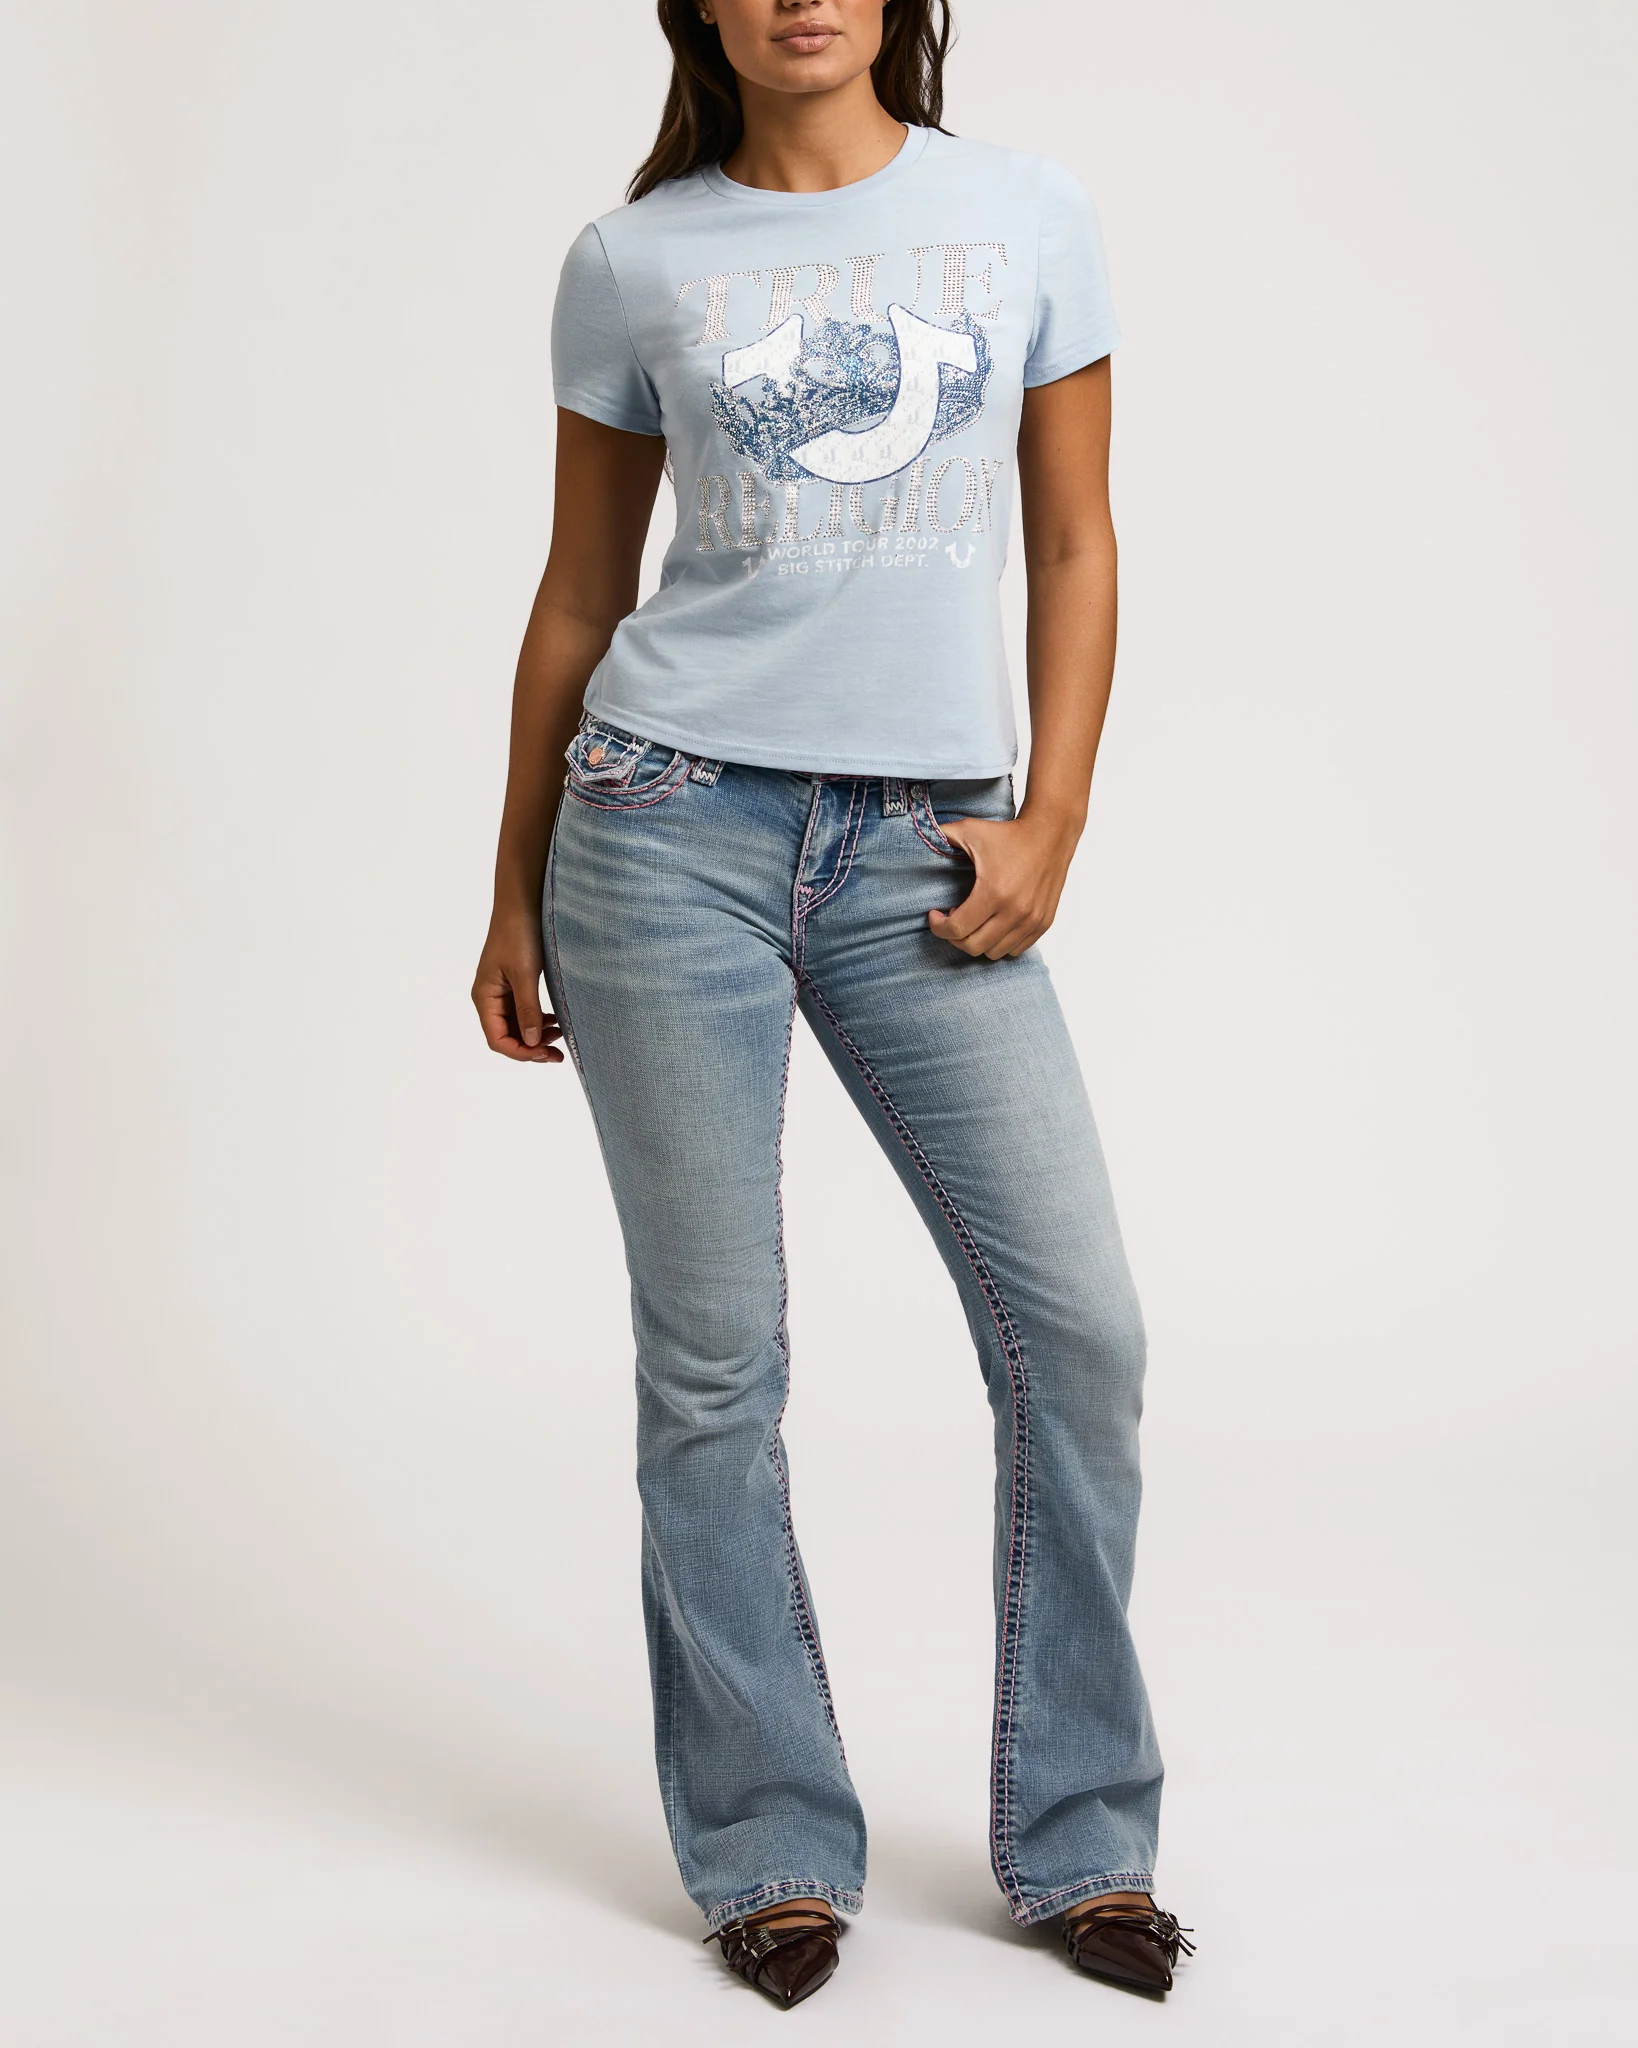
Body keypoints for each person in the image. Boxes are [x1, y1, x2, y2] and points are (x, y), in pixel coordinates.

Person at [472, 0, 1191, 2009]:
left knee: (1079, 1334)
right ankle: (768, 1844)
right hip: (660, 829)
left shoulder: (1025, 212)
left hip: (922, 848)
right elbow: (579, 591)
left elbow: (1075, 536)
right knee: (715, 1367)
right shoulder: (635, 259)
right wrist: (510, 884)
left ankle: (1084, 1836)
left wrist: (1053, 816)